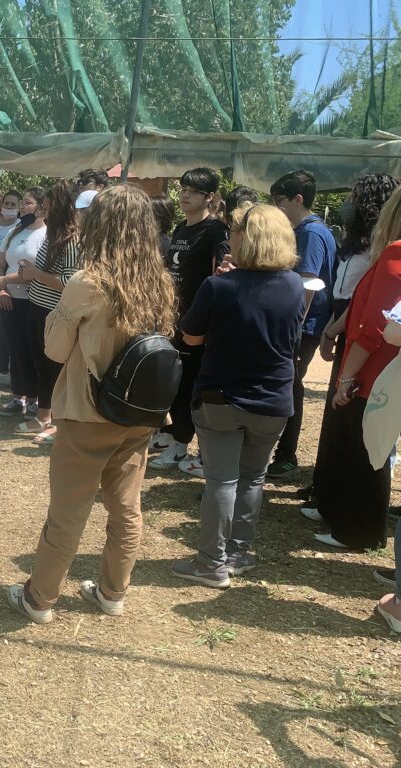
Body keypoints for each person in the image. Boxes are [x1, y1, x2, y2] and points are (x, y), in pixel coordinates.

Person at [6, 185, 176, 622]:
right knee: (126, 507)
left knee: (68, 511)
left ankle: (40, 598)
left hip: (88, 411)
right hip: (140, 411)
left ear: (100, 225)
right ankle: (113, 592)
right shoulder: (158, 282)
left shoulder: (87, 282)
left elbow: (55, 350)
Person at [170, 204, 305, 588]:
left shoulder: (218, 286)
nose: (229, 238)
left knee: (221, 481)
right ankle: (239, 553)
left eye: (233, 232)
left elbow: (190, 337)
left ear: (246, 238)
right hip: (274, 398)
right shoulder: (295, 284)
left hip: (221, 397)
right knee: (253, 477)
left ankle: (211, 563)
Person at [307, 186, 401, 550]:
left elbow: (374, 324)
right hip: (380, 368)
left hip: (374, 372)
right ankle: (347, 519)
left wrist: (347, 377)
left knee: (367, 450)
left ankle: (360, 531)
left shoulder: (395, 253)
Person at [150, 168, 230, 475]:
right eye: (183, 189)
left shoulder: (215, 232)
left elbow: (219, 278)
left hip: (196, 325)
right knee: (172, 380)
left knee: (186, 384)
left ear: (209, 197)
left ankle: (181, 442)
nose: (185, 195)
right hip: (173, 317)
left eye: (193, 191)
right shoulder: (182, 228)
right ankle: (173, 432)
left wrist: (205, 324)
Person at [266, 170, 336, 478]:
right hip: (304, 325)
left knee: (291, 387)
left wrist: (293, 326)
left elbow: (308, 283)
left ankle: (287, 455)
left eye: (279, 200)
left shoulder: (311, 232)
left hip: (304, 326)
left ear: (297, 199)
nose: (277, 207)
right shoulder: (309, 229)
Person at [17, 180, 82, 445]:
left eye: (47, 204)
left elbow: (69, 281)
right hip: (36, 307)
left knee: (53, 368)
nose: (43, 208)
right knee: (40, 365)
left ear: (61, 206)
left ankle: (56, 422)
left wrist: (36, 273)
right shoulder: (53, 234)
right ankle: (43, 416)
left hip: (53, 312)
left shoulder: (72, 239)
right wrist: (30, 270)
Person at [0, 186, 47, 424]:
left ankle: (35, 400)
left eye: (27, 202)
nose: (22, 207)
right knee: (15, 348)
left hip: (34, 300)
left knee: (32, 350)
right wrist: (2, 288)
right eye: (22, 202)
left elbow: (37, 272)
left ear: (42, 207)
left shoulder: (47, 234)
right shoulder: (14, 231)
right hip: (9, 299)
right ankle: (18, 397)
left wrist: (5, 281)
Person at [0, 191, 22, 376]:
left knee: (14, 331)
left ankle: (14, 367)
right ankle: (1, 367)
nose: (9, 207)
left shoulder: (22, 228)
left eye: (13, 204)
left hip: (17, 286)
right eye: (6, 204)